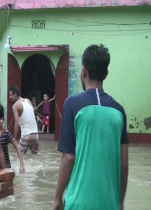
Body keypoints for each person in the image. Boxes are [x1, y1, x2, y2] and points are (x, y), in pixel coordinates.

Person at [53, 44, 129, 210]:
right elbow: (124, 164)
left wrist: (57, 198)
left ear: (83, 72)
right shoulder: (119, 111)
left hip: (78, 204)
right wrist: (121, 201)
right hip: (110, 204)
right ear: (106, 74)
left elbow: (68, 157)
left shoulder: (72, 105)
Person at [9, 85, 39, 155]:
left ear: (15, 95)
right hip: (35, 134)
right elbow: (33, 117)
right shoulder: (28, 101)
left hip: (26, 134)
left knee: (20, 157)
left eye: (11, 95)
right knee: (34, 158)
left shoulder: (15, 106)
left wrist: (15, 139)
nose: (9, 97)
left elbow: (16, 123)